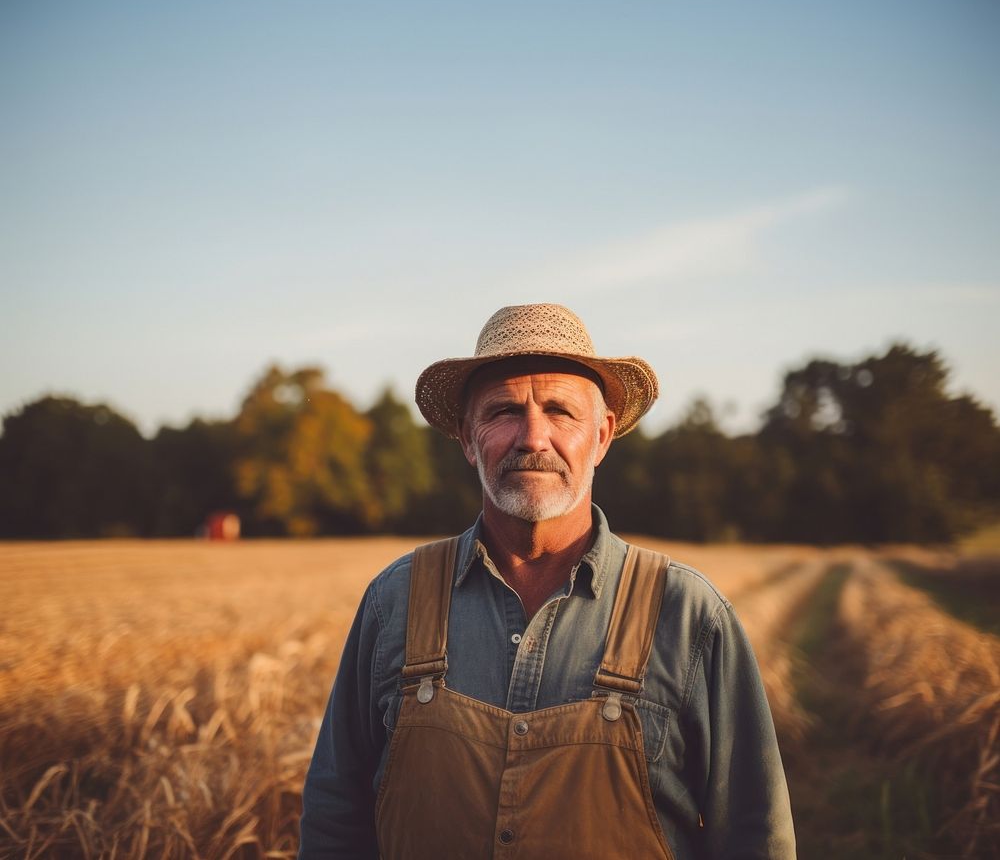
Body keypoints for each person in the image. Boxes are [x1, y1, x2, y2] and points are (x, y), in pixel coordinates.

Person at [299, 303, 796, 859]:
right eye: (504, 411)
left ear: (602, 436)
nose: (532, 438)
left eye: (560, 411)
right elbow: (335, 818)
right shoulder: (395, 600)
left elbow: (755, 834)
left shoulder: (689, 613)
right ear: (467, 437)